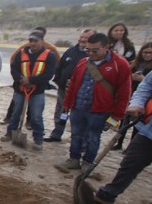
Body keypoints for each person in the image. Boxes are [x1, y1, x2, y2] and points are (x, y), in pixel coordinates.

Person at [56, 33, 131, 172]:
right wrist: (67, 104)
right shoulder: (83, 63)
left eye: (94, 50)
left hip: (100, 111)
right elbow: (73, 85)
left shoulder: (119, 65)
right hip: (78, 107)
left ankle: (88, 162)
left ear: (106, 47)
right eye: (87, 50)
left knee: (93, 137)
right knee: (76, 134)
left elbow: (124, 92)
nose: (90, 53)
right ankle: (74, 159)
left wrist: (117, 116)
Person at [94, 71, 152, 204]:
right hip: (148, 131)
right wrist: (137, 103)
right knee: (130, 162)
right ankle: (109, 194)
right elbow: (145, 87)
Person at [0, 28, 57, 151]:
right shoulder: (21, 53)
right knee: (15, 113)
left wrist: (31, 81)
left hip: (37, 91)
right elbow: (14, 69)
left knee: (36, 116)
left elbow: (49, 74)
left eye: (35, 41)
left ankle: (38, 139)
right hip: (21, 89)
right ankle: (10, 133)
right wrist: (22, 80)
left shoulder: (49, 55)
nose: (32, 43)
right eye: (31, 41)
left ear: (42, 41)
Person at [44, 29, 94, 142]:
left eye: (86, 38)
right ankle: (57, 134)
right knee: (61, 112)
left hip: (81, 92)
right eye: (81, 37)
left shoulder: (92, 55)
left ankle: (79, 140)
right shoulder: (71, 50)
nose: (82, 40)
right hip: (64, 89)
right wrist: (58, 79)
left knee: (78, 117)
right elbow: (60, 65)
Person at [112, 41, 152, 150]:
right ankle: (118, 143)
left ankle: (131, 147)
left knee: (137, 125)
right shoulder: (134, 63)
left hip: (145, 101)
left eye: (150, 53)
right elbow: (124, 76)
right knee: (123, 121)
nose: (147, 55)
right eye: (145, 52)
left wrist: (143, 79)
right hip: (130, 94)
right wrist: (131, 77)